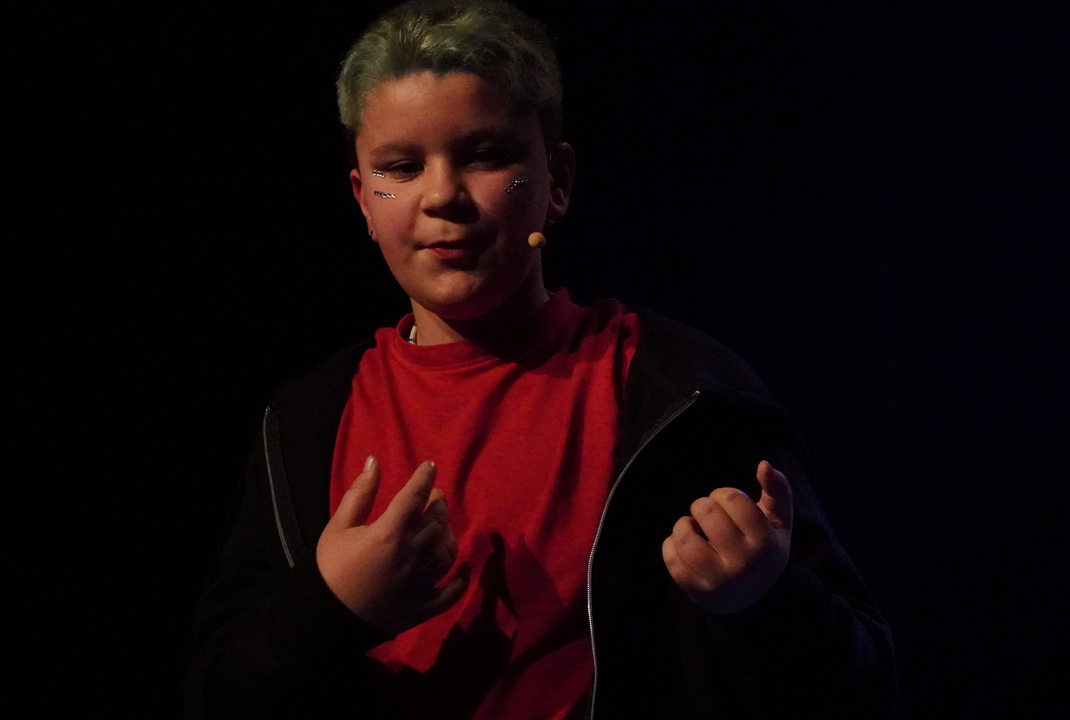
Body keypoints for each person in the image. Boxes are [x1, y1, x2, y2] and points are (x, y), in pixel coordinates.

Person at [184, 1, 894, 718]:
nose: (443, 196)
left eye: (486, 156)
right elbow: (215, 693)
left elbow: (862, 683)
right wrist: (329, 607)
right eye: (401, 167)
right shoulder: (304, 424)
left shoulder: (684, 395)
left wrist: (763, 603)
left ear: (557, 180)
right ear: (364, 199)